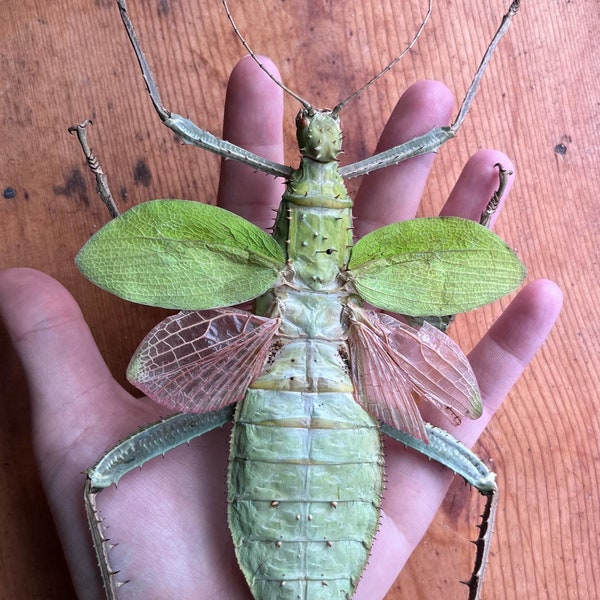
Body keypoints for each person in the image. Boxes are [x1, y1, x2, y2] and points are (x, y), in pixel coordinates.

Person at [0, 57, 562, 599]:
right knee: (476, 469)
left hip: (290, 401)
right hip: (340, 403)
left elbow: (154, 241)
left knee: (104, 477)